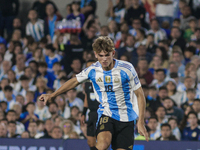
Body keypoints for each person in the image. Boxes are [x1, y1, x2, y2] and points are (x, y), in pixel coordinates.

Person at [39, 36, 148, 150]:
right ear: (96, 55)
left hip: (127, 117)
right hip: (107, 113)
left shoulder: (127, 68)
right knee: (102, 145)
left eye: (107, 55)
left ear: (113, 53)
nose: (104, 59)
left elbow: (140, 94)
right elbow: (74, 81)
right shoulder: (92, 70)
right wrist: (52, 95)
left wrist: (140, 122)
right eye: (101, 56)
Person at [80, 60, 100, 149]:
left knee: (102, 141)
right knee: (91, 142)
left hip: (102, 113)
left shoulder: (103, 80)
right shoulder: (87, 83)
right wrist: (83, 113)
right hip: (91, 113)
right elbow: (86, 98)